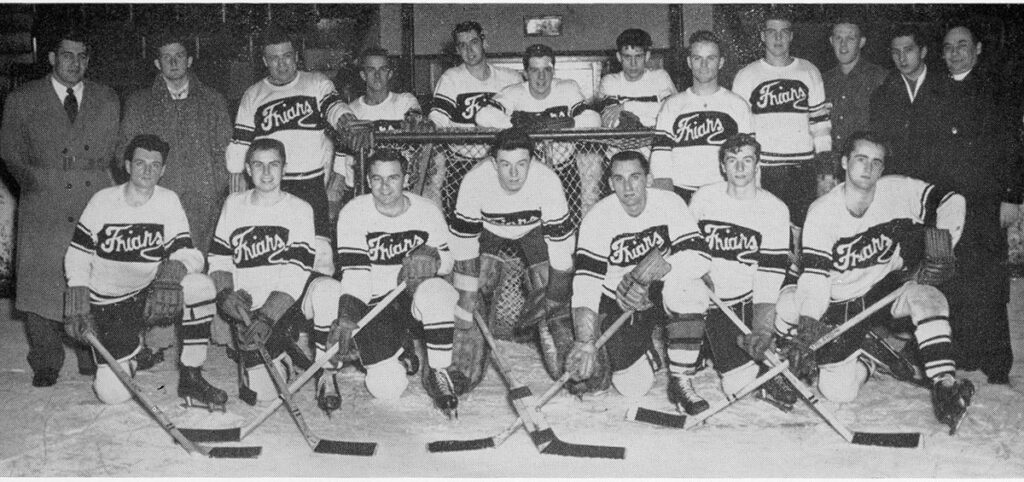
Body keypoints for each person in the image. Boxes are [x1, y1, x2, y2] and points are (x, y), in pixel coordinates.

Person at [779, 131, 973, 433]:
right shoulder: (822, 212)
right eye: (860, 159)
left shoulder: (897, 190)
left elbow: (951, 199)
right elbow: (815, 278)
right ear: (844, 162)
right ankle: (868, 357)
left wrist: (945, 243)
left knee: (930, 297)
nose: (868, 168)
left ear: (882, 168)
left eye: (876, 162)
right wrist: (809, 326)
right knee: (839, 393)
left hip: (885, 287)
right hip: (839, 300)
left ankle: (945, 383)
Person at [62, 134, 227, 408]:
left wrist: (169, 277)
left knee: (200, 285)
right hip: (108, 305)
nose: (147, 170)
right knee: (112, 395)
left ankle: (191, 375)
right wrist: (78, 299)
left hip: (147, 296)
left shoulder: (168, 200)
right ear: (127, 166)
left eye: (155, 165)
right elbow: (78, 254)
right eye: (140, 163)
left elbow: (189, 253)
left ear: (163, 170)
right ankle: (136, 356)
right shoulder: (103, 200)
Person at [0, 28, 120, 387]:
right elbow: (10, 152)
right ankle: (46, 360)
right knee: (41, 286)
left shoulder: (107, 98)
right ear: (51, 57)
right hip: (45, 205)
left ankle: (90, 353)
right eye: (67, 55)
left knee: (91, 279)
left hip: (91, 204)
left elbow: (116, 151)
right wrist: (38, 184)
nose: (75, 63)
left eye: (82, 56)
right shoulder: (23, 98)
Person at [911, 25, 1023, 384]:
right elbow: (922, 150)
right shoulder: (932, 91)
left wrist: (1012, 196)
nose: (955, 53)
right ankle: (956, 354)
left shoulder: (996, 91)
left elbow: (1013, 147)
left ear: (977, 48)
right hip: (944, 205)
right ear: (941, 54)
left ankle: (995, 363)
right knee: (946, 274)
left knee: (988, 280)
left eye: (962, 46)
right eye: (948, 48)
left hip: (986, 201)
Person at [565, 150, 712, 414]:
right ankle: (656, 350)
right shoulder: (597, 218)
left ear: (649, 178)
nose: (628, 187)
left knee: (692, 287)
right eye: (619, 179)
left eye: (635, 177)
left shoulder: (670, 202)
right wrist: (584, 340)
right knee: (633, 386)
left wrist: (645, 274)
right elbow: (586, 282)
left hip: (662, 287)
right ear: (610, 184)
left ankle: (681, 379)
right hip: (622, 301)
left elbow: (700, 256)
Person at [119, 32, 233, 368]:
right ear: (156, 63)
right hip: (160, 203)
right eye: (165, 56)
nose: (173, 62)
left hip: (204, 199)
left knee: (212, 264)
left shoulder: (212, 100)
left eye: (179, 55)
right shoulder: (140, 103)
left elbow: (227, 151)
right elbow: (123, 150)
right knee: (161, 269)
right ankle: (157, 341)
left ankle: (223, 334)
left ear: (190, 60)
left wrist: (215, 186)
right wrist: (142, 191)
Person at [209, 138, 343, 404]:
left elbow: (297, 269)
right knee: (262, 394)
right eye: (259, 164)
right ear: (247, 169)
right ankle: (284, 357)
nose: (267, 172)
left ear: (284, 168)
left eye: (274, 164)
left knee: (329, 289)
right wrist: (227, 295)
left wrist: (269, 317)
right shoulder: (233, 204)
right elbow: (220, 258)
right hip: (251, 302)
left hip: (288, 299)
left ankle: (326, 372)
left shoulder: (300, 208)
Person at [331, 149, 459, 416]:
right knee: (386, 388)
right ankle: (403, 348)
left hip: (414, 297)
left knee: (438, 291)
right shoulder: (353, 212)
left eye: (393, 178)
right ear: (367, 180)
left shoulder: (427, 210)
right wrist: (347, 315)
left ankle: (438, 370)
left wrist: (433, 257)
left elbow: (448, 262)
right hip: (376, 302)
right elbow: (356, 274)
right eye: (377, 178)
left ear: (406, 179)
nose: (385, 187)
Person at [447, 128, 575, 394]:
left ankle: (564, 353)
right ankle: (463, 360)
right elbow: (463, 243)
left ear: (532, 160)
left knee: (549, 281)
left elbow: (562, 249)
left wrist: (554, 296)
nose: (514, 174)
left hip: (533, 230)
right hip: (489, 229)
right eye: (505, 165)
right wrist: (468, 295)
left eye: (521, 164)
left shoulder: (547, 180)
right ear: (494, 163)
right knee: (477, 281)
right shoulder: (475, 180)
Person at [224, 26, 351, 276]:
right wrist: (236, 186)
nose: (281, 64)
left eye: (287, 56)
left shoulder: (316, 82)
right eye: (274, 58)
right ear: (264, 61)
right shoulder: (253, 95)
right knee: (276, 254)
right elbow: (240, 146)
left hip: (311, 184)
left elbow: (334, 107)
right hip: (270, 186)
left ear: (296, 56)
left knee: (320, 256)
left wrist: (347, 119)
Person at [688, 134, 798, 410]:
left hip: (752, 297)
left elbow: (770, 274)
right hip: (716, 303)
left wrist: (762, 326)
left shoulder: (774, 208)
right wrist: (699, 272)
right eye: (732, 160)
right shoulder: (704, 198)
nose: (739, 168)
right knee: (735, 386)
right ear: (722, 166)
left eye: (747, 161)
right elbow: (686, 248)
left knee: (790, 303)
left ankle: (782, 349)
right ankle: (766, 372)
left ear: (757, 165)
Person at [731, 11, 831, 247]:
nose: (778, 38)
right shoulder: (746, 76)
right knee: (768, 233)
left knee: (803, 233)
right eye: (771, 32)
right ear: (762, 36)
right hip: (765, 168)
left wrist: (825, 169)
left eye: (783, 32)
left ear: (792, 36)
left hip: (803, 167)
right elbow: (742, 133)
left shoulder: (809, 71)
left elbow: (821, 126)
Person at [476, 43, 601, 228]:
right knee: (529, 225)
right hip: (527, 173)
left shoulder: (567, 88)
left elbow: (594, 119)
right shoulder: (514, 92)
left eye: (547, 70)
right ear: (526, 73)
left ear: (553, 71)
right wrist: (516, 125)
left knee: (566, 224)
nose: (541, 77)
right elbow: (482, 116)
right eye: (534, 70)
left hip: (563, 169)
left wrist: (563, 123)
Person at [428, 21, 522, 219]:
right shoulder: (451, 78)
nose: (469, 50)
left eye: (473, 42)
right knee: (464, 222)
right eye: (462, 45)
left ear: (484, 42)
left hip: (501, 163)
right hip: (462, 163)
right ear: (456, 50)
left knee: (505, 219)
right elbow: (438, 119)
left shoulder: (510, 78)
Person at [651, 30, 753, 203]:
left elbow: (750, 158)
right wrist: (668, 204)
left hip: (723, 194)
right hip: (681, 194)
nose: (704, 65)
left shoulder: (737, 105)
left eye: (711, 58)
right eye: (698, 58)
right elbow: (660, 161)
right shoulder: (673, 105)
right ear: (689, 62)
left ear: (721, 62)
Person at [868, 24, 939, 178]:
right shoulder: (882, 94)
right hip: (897, 179)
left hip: (937, 179)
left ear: (923, 51)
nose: (901, 58)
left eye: (908, 50)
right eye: (896, 52)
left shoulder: (944, 87)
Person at [823, 18, 886, 189]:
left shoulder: (881, 78)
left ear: (862, 42)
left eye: (850, 38)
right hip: (832, 176)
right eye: (838, 38)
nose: (843, 46)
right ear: (831, 41)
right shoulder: (822, 81)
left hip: (867, 175)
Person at [596, 28, 677, 129]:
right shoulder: (610, 81)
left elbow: (673, 110)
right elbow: (612, 121)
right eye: (627, 57)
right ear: (619, 57)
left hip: (657, 143)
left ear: (647, 56)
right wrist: (654, 117)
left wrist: (625, 107)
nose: (633, 64)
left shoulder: (660, 77)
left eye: (638, 56)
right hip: (621, 143)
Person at [344, 47, 426, 132]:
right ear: (363, 75)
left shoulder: (405, 101)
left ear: (390, 74)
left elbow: (416, 124)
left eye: (383, 69)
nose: (377, 75)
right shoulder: (351, 110)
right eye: (371, 70)